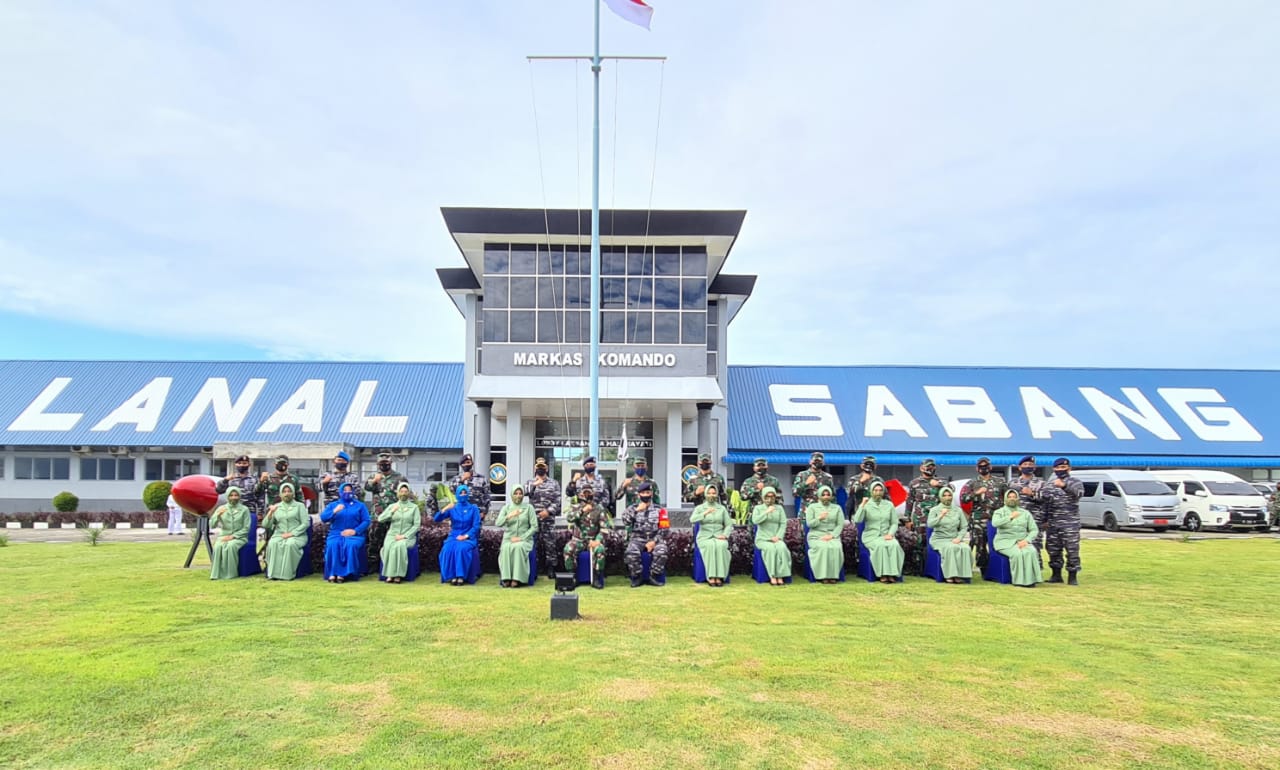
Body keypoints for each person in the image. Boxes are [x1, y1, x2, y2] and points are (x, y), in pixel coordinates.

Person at [1040, 457, 1085, 585]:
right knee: (1053, 549)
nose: (1061, 470)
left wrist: (1064, 486)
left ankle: (1072, 576)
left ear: (1069, 468)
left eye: (1063, 467)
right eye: (1058, 468)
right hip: (1053, 522)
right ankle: (1056, 575)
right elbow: (1045, 503)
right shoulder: (1050, 484)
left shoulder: (1075, 482)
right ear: (1054, 469)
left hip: (1070, 522)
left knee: (1072, 549)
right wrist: (1044, 519)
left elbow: (1079, 494)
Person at [364, 452, 406, 576]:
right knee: (374, 540)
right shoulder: (374, 476)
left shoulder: (399, 477)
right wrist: (374, 481)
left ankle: (389, 565)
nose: (384, 465)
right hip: (378, 515)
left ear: (391, 463)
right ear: (377, 464)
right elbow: (366, 488)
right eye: (381, 463)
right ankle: (373, 566)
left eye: (386, 463)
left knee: (392, 541)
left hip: (394, 515)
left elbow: (405, 493)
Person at [960, 457, 1006, 569]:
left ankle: (996, 568)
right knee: (980, 545)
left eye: (986, 466)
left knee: (996, 544)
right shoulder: (972, 483)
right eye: (981, 466)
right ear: (977, 468)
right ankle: (983, 569)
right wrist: (976, 493)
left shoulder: (1000, 482)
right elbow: (964, 498)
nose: (983, 468)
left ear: (990, 467)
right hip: (978, 520)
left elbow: (1008, 497)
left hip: (996, 519)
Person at [854, 481, 904, 583]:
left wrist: (890, 534)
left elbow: (894, 523)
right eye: (875, 490)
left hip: (887, 535)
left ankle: (892, 574)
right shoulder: (866, 504)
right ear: (871, 491)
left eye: (880, 490)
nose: (878, 493)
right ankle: (883, 574)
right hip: (871, 537)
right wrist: (862, 505)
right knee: (881, 546)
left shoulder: (889, 505)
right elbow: (857, 520)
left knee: (894, 545)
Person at [320, 482, 370, 583]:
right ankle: (333, 573)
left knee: (351, 545)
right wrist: (334, 511)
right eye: (345, 490)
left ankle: (346, 574)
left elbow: (366, 521)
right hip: (336, 533)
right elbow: (323, 518)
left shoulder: (360, 505)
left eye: (349, 490)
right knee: (333, 544)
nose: (347, 492)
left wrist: (355, 531)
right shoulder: (333, 505)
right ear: (340, 492)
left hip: (354, 534)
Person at [621, 482, 668, 587]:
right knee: (631, 551)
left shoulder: (660, 510)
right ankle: (637, 577)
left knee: (662, 551)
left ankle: (654, 576)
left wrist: (654, 542)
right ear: (639, 495)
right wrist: (636, 510)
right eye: (643, 493)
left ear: (651, 494)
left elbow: (665, 529)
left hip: (654, 539)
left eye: (648, 492)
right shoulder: (632, 508)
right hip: (637, 539)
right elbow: (625, 521)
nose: (646, 495)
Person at [905, 458, 947, 574]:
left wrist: (938, 484)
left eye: (932, 467)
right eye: (928, 466)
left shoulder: (940, 481)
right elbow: (909, 502)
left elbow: (951, 488)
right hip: (920, 518)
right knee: (919, 543)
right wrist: (907, 519)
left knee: (934, 542)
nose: (930, 469)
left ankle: (934, 568)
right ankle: (918, 569)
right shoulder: (914, 483)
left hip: (937, 518)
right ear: (921, 468)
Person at [992, 489, 1041, 587]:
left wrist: (1026, 540)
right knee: (1017, 554)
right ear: (1005, 499)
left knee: (1031, 552)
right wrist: (1010, 517)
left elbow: (1034, 530)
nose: (1012, 499)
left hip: (1022, 541)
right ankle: (1019, 581)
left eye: (1014, 497)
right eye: (1009, 497)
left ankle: (1031, 580)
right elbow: (995, 523)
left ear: (1018, 499)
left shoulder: (1025, 513)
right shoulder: (999, 512)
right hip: (1005, 542)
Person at [563, 485, 609, 590]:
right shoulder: (576, 507)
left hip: (592, 540)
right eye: (585, 493)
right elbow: (569, 518)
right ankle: (573, 577)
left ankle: (596, 577)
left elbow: (604, 529)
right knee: (568, 549)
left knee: (600, 550)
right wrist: (582, 511)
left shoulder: (599, 509)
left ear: (593, 494)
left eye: (589, 493)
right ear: (581, 494)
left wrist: (597, 540)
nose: (587, 495)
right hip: (578, 540)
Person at [523, 457, 562, 579]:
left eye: (543, 467)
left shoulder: (554, 483)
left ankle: (551, 567)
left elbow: (558, 500)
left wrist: (548, 511)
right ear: (535, 468)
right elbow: (523, 492)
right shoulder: (530, 482)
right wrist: (534, 484)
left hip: (548, 518)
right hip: (533, 519)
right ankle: (534, 567)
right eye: (538, 467)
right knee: (532, 543)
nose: (541, 469)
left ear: (547, 468)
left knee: (550, 543)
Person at [434, 485, 481, 586]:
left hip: (468, 537)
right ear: (457, 494)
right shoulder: (453, 508)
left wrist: (466, 536)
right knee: (447, 549)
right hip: (454, 536)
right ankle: (451, 576)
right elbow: (436, 519)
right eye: (461, 493)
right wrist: (445, 508)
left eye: (465, 493)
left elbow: (476, 526)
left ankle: (461, 576)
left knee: (461, 549)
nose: (463, 495)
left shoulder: (473, 508)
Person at [377, 482, 421, 584]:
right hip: (392, 534)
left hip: (408, 536)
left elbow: (416, 526)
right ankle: (389, 574)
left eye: (406, 491)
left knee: (399, 546)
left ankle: (398, 575)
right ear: (398, 493)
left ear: (409, 493)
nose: (403, 494)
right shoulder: (392, 506)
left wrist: (404, 536)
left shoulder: (414, 507)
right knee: (388, 546)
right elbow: (380, 519)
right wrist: (391, 512)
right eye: (401, 491)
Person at [263, 482, 309, 580]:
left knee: (289, 544)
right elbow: (266, 525)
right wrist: (270, 512)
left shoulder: (300, 506)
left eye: (289, 491)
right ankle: (273, 574)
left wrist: (292, 533)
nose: (286, 494)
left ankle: (287, 575)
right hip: (280, 535)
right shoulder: (276, 506)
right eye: (284, 492)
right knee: (273, 543)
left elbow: (305, 523)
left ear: (293, 494)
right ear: (280, 494)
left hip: (297, 535)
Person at [690, 483, 732, 587]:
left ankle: (720, 576)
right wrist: (704, 513)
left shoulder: (722, 508)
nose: (711, 495)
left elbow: (728, 524)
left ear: (717, 494)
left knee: (721, 545)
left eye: (713, 493)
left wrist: (725, 535)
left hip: (719, 535)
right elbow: (692, 519)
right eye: (709, 493)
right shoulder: (700, 508)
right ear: (705, 494)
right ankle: (711, 576)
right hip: (704, 536)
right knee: (710, 546)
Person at [927, 487, 972, 583]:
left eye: (949, 495)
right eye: (944, 495)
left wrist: (959, 538)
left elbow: (964, 526)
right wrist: (941, 516)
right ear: (940, 497)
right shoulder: (935, 510)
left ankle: (962, 575)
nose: (947, 498)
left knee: (966, 548)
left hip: (954, 538)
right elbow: (930, 524)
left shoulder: (958, 510)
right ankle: (950, 575)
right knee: (951, 548)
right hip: (939, 539)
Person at [495, 485, 536, 587]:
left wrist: (521, 538)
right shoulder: (506, 508)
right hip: (509, 538)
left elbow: (534, 527)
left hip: (524, 539)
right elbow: (498, 523)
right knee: (506, 547)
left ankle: (517, 578)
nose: (518, 496)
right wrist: (509, 516)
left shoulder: (529, 508)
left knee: (518, 547)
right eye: (516, 493)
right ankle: (506, 578)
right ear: (512, 495)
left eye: (520, 493)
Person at [751, 487, 791, 586]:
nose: (770, 499)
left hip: (776, 538)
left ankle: (780, 575)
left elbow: (783, 523)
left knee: (782, 548)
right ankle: (772, 576)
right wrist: (766, 512)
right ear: (763, 497)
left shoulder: (779, 508)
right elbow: (755, 521)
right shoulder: (758, 508)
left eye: (772, 496)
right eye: (767, 496)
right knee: (771, 549)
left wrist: (778, 536)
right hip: (763, 539)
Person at [805, 485, 846, 584]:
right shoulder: (812, 507)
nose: (826, 497)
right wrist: (819, 518)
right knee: (823, 547)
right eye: (823, 495)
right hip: (816, 535)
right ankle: (822, 575)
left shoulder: (837, 508)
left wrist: (832, 535)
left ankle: (833, 575)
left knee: (836, 547)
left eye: (828, 495)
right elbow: (809, 524)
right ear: (819, 496)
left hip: (832, 535)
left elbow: (840, 524)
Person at [209, 487, 251, 580]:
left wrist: (233, 536)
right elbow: (212, 525)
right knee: (218, 546)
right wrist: (217, 515)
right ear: (227, 496)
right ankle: (217, 573)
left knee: (231, 546)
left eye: (236, 495)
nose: (233, 497)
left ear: (239, 496)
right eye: (231, 495)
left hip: (239, 537)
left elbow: (246, 528)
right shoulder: (221, 508)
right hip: (224, 536)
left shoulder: (244, 509)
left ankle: (230, 574)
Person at [1011, 456, 1046, 558]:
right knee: (1016, 549)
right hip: (1016, 521)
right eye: (1025, 464)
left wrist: (1032, 494)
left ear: (1034, 467)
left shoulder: (1042, 484)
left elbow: (1047, 500)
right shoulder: (1012, 483)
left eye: (1030, 465)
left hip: (1034, 521)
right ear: (1020, 467)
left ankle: (1036, 568)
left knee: (1034, 549)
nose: (1028, 466)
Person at [450, 453, 491, 520]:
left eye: (468, 462)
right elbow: (453, 492)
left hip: (477, 512)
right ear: (461, 465)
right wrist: (462, 480)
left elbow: (487, 496)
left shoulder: (482, 478)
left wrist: (484, 512)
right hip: (461, 513)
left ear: (472, 463)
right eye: (464, 463)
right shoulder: (456, 479)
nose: (466, 465)